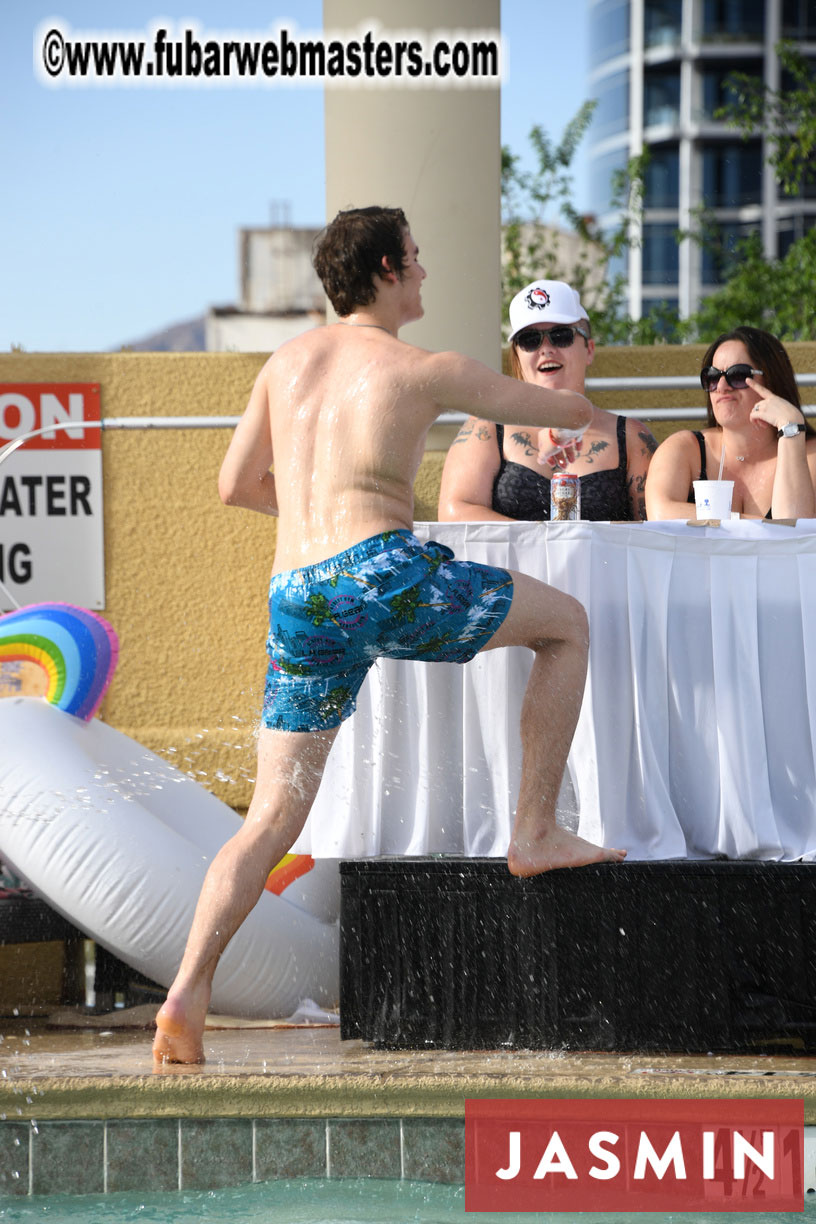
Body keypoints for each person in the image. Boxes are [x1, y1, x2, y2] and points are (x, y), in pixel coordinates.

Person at [152, 208, 625, 1065]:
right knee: (567, 626)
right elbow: (569, 407)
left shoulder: (283, 364)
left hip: (298, 595)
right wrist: (565, 392)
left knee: (270, 816)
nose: (425, 272)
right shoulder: (423, 368)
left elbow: (235, 486)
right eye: (415, 257)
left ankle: (186, 993)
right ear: (385, 268)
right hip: (379, 574)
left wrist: (319, 521)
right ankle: (533, 832)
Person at [437, 280, 656, 523]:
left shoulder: (630, 437)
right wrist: (541, 540)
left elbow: (656, 529)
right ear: (517, 356)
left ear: (589, 350)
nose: (546, 349)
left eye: (561, 336)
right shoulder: (488, 427)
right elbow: (455, 512)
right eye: (530, 339)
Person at [645, 326, 816, 521]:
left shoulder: (809, 455)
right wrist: (760, 525)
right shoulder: (686, 449)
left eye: (737, 375)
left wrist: (791, 429)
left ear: (772, 379)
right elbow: (660, 514)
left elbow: (794, 528)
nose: (721, 386)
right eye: (712, 377)